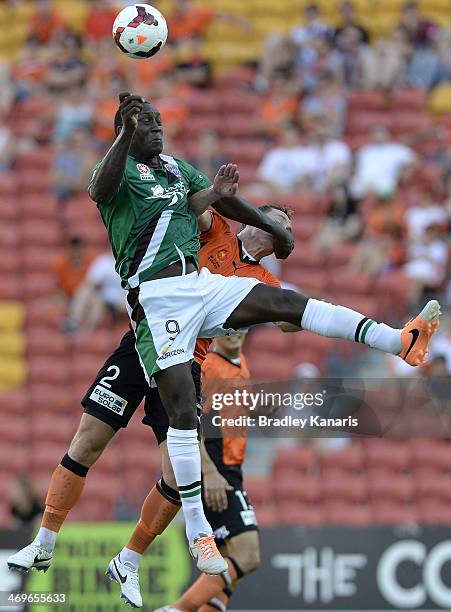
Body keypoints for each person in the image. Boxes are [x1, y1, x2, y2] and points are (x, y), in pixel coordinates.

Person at [8, 94, 440, 597]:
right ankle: (49, 539)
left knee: (286, 307)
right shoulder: (124, 173)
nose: (156, 129)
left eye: (157, 122)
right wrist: (129, 136)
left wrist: (255, 215)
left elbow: (215, 205)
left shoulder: (183, 178)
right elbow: (119, 193)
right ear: (126, 127)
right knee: (97, 438)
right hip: (157, 309)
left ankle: (399, 340)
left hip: (197, 298)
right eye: (146, 123)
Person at [6, 204, 285, 607]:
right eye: (277, 220)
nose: (281, 229)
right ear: (255, 220)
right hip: (144, 343)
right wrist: (221, 197)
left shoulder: (264, 280)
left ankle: (129, 559)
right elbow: (193, 205)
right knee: (86, 443)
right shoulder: (216, 231)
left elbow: (289, 320)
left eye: (287, 228)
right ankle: (44, 540)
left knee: (176, 476)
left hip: (185, 363)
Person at [156, 332, 259, 612]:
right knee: (248, 554)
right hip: (214, 469)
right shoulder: (210, 367)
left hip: (230, 469)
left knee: (225, 569)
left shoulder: (241, 363)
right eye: (229, 327)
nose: (235, 333)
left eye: (241, 326)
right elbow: (192, 423)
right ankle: (175, 610)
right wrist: (210, 471)